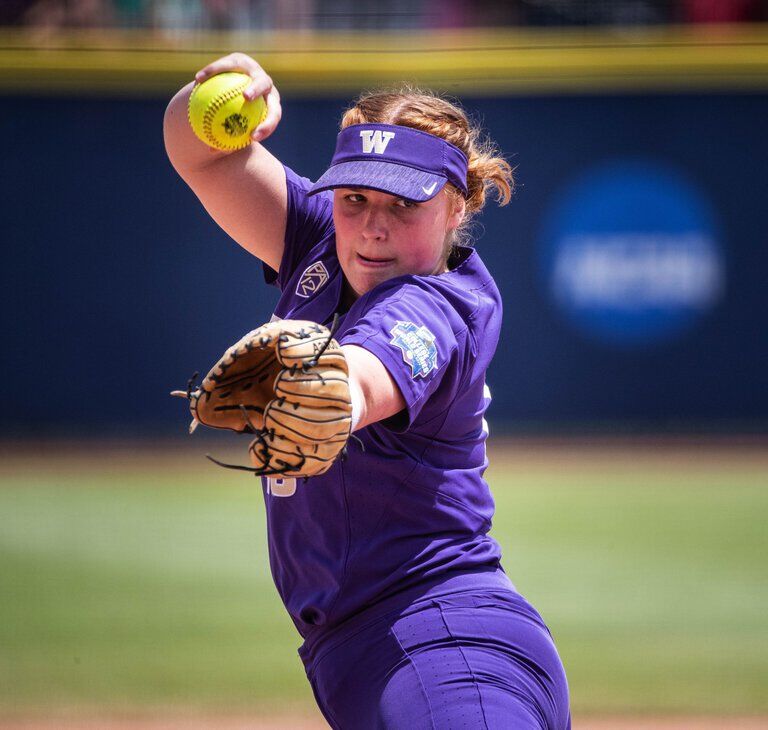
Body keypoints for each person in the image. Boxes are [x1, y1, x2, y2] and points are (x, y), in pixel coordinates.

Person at [164, 52, 570, 729]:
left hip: (446, 649)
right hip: (374, 652)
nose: (373, 225)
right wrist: (212, 106)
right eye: (355, 199)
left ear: (455, 207)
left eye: (403, 204)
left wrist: (325, 391)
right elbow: (200, 159)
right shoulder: (325, 243)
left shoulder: (441, 305)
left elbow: (361, 378)